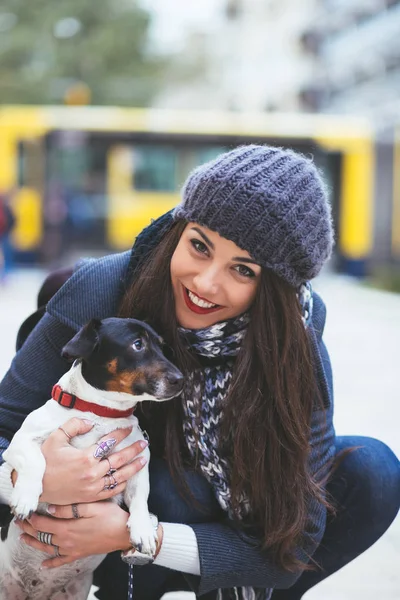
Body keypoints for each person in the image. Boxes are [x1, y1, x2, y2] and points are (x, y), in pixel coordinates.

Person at [0, 145, 399, 600]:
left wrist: (132, 535)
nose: (206, 283)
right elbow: (4, 423)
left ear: (274, 291)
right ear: (179, 229)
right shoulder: (102, 293)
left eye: (243, 270)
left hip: (167, 528)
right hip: (109, 518)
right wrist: (32, 478)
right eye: (199, 245)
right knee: (173, 485)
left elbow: (298, 542)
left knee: (373, 471)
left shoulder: (296, 345)